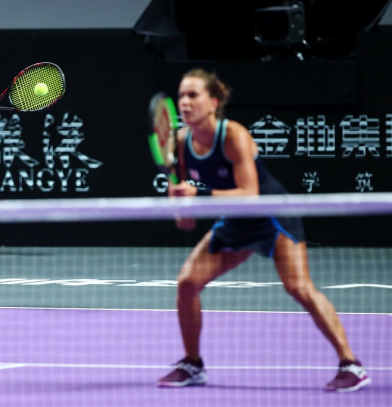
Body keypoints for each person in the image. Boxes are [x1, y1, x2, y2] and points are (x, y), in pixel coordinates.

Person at [156, 69, 370, 392]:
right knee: (187, 282)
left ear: (213, 103)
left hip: (272, 216)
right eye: (181, 96)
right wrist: (182, 213)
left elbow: (250, 193)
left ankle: (350, 364)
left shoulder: (233, 136)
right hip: (234, 221)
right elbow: (186, 212)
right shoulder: (182, 144)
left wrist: (197, 195)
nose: (185, 102)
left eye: (193, 95)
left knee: (298, 287)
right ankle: (192, 362)